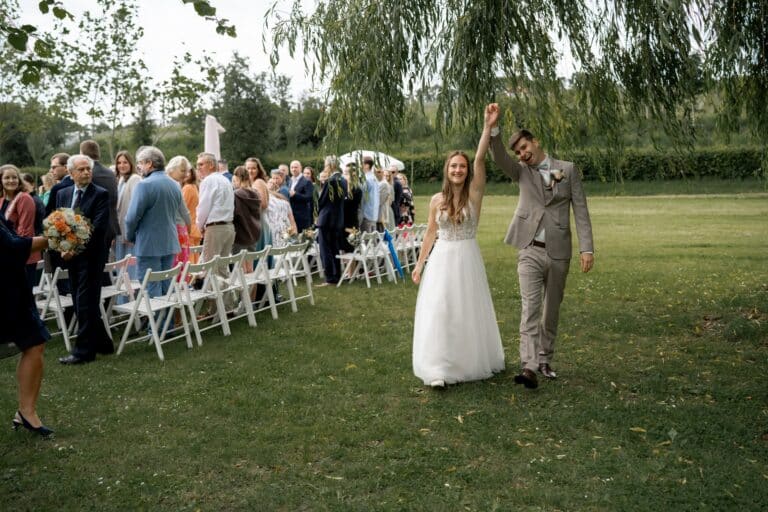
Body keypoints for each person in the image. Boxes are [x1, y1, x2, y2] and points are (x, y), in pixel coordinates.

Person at [487, 103, 594, 388]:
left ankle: (545, 359)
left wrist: (587, 248)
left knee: (551, 310)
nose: (522, 154)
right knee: (530, 308)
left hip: (560, 251)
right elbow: (498, 157)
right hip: (529, 249)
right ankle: (529, 366)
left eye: (524, 147)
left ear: (535, 142)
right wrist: (493, 129)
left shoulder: (568, 170)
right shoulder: (521, 171)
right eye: (518, 152)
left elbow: (580, 211)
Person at [411, 113, 505, 388]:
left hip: (466, 258)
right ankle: (438, 368)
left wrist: (488, 128)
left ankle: (465, 361)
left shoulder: (475, 193)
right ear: (446, 169)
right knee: (440, 309)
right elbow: (430, 233)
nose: (458, 170)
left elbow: (479, 159)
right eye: (453, 166)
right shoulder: (436, 200)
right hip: (441, 259)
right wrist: (419, 264)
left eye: (462, 167)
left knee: (465, 310)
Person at [55, 154, 113, 365]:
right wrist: (63, 246)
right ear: (71, 174)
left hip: (91, 257)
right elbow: (58, 222)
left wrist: (73, 247)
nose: (87, 172)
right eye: (81, 169)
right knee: (81, 302)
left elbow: (96, 229)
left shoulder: (100, 194)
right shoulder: (63, 193)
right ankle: (104, 343)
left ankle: (83, 352)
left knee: (85, 303)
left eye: (88, 168)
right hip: (70, 257)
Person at [1, 216, 53, 436]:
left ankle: (26, 412)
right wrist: (52, 238)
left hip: (12, 293)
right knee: (33, 341)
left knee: (34, 342)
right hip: (4, 296)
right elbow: (11, 247)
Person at [124, 147, 188, 300]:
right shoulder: (174, 184)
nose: (138, 166)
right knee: (167, 288)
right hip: (169, 242)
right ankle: (167, 324)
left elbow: (131, 217)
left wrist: (130, 236)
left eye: (140, 163)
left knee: (151, 289)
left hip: (148, 244)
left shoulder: (144, 185)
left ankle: (157, 324)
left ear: (149, 163)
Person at [1, 165, 41, 289]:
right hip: (6, 256)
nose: (11, 180)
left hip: (23, 256)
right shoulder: (2, 199)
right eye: (7, 177)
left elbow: (25, 231)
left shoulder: (24, 198)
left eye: (14, 177)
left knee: (23, 299)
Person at [196, 152, 235, 276]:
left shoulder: (208, 180)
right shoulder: (226, 180)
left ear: (211, 165)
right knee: (222, 270)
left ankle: (213, 296)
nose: (198, 168)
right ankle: (225, 296)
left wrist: (200, 226)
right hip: (228, 227)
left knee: (209, 271)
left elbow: (203, 207)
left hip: (216, 227)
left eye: (201, 164)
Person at [80, 140, 119, 254]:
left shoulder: (87, 173)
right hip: (110, 226)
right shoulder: (110, 173)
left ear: (82, 154)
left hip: (94, 228)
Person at [315, 155, 346, 285]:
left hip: (326, 219)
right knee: (334, 248)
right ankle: (336, 275)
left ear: (329, 165)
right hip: (337, 218)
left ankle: (329, 277)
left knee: (325, 249)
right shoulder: (343, 180)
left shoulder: (331, 181)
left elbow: (321, 201)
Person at [114, 150, 142, 278]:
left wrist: (131, 233)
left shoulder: (135, 179)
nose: (122, 165)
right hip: (120, 231)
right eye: (119, 162)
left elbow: (135, 207)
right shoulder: (120, 180)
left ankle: (133, 295)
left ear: (131, 164)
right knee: (122, 267)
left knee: (131, 268)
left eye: (125, 162)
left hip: (130, 232)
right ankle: (123, 296)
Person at [166, 156, 195, 271]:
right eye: (182, 171)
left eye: (187, 171)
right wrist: (188, 227)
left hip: (170, 229)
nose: (186, 174)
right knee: (180, 264)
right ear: (172, 169)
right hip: (179, 228)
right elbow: (184, 211)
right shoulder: (175, 185)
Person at [231, 165, 262, 257]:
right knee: (250, 266)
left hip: (240, 233)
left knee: (240, 267)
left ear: (238, 178)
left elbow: (234, 213)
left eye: (234, 180)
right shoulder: (255, 193)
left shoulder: (237, 194)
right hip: (254, 232)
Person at [266, 173, 298, 248]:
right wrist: (295, 238)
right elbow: (292, 221)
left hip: (273, 236)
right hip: (285, 235)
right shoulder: (285, 201)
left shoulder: (267, 201)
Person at [288, 159, 314, 232]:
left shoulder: (307, 181)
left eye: (296, 167)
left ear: (300, 168)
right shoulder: (289, 181)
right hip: (291, 216)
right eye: (292, 167)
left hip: (302, 217)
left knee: (302, 240)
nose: (293, 169)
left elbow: (309, 197)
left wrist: (295, 194)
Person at [360, 156, 379, 232]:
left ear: (367, 165)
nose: (360, 166)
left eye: (361, 163)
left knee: (367, 239)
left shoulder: (366, 179)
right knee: (372, 240)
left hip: (366, 213)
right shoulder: (374, 178)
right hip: (374, 213)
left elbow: (362, 197)